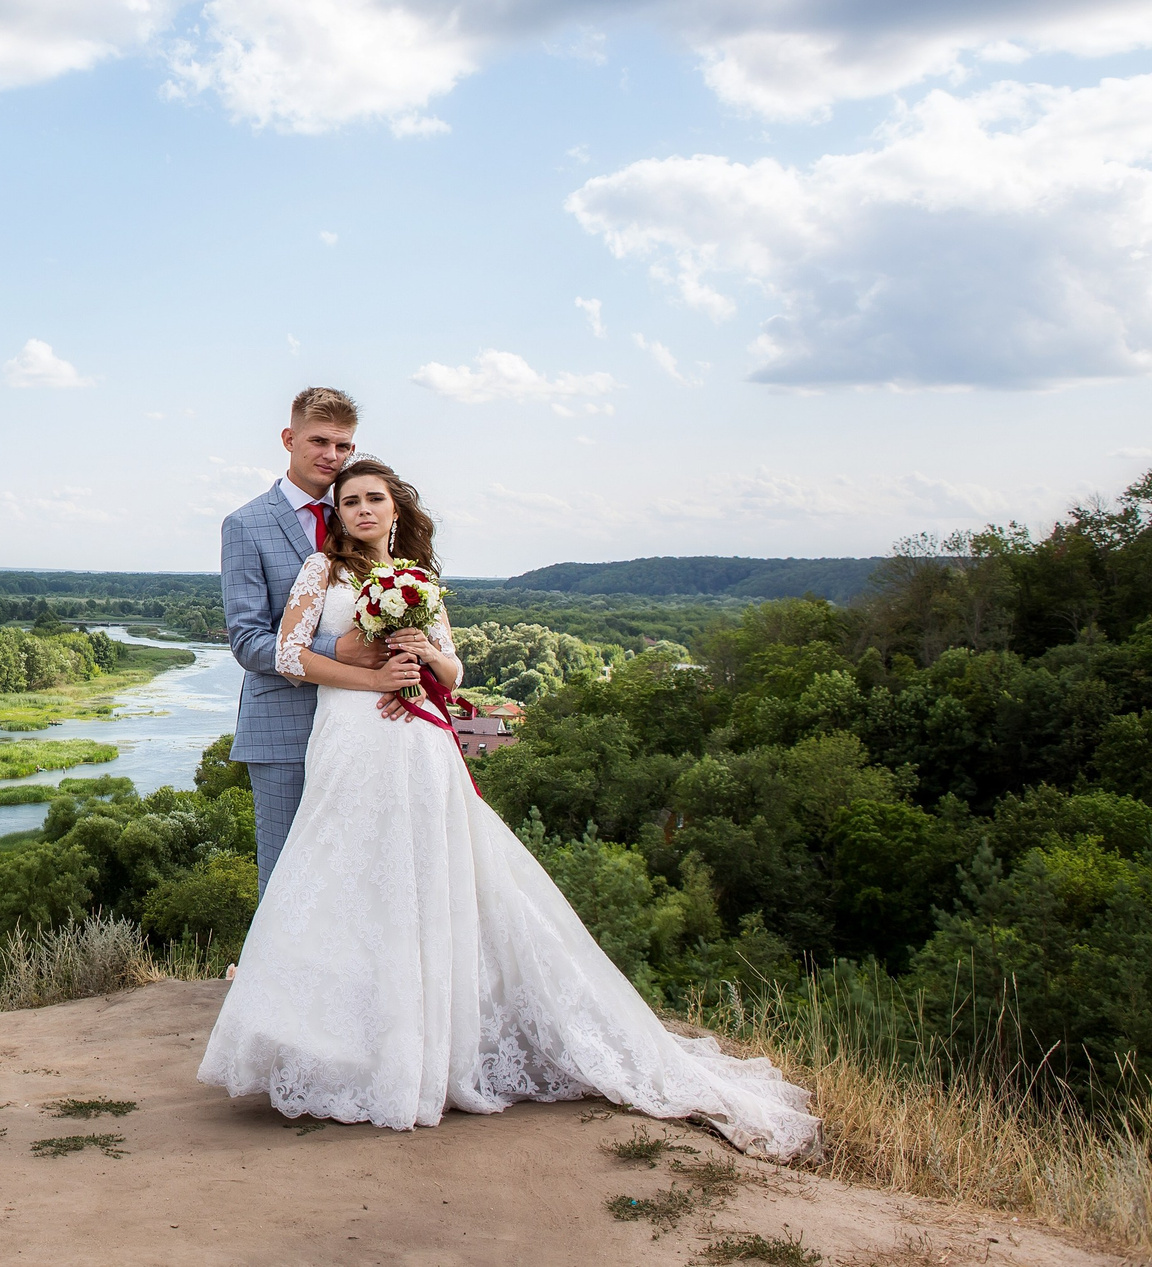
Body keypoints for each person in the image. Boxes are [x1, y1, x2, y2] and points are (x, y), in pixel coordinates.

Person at [197, 457, 820, 1158]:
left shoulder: (419, 578)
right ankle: (338, 1045)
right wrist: (373, 675)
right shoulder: (321, 571)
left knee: (426, 878)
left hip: (418, 742)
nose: (362, 510)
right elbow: (287, 653)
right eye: (349, 501)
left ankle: (423, 1044)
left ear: (395, 509)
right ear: (335, 513)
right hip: (349, 734)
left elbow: (457, 671)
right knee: (341, 873)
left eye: (374, 499)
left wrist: (425, 651)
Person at [218, 387, 410, 889]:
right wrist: (337, 651)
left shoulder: (364, 513)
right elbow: (247, 641)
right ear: (289, 439)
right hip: (284, 726)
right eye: (320, 442)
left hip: (364, 726)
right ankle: (273, 971)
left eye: (344, 446)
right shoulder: (246, 525)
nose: (332, 456)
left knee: (360, 869)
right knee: (286, 874)